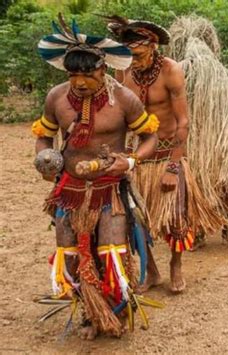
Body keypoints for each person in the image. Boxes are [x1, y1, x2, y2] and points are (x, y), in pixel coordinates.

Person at [34, 16, 158, 339]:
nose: (80, 82)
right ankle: (91, 313)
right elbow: (44, 137)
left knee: (111, 252)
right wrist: (44, 158)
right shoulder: (56, 98)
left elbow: (150, 138)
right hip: (70, 191)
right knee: (71, 255)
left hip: (109, 190)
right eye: (74, 74)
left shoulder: (125, 100)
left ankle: (117, 308)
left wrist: (129, 162)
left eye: (87, 74)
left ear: (102, 69)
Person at [106, 16, 224, 293]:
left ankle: (175, 265)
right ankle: (153, 272)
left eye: (137, 54)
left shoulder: (171, 71)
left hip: (168, 152)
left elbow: (183, 121)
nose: (132, 60)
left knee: (176, 217)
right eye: (127, 55)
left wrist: (173, 166)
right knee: (135, 219)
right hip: (138, 157)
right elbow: (120, 117)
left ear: (153, 46)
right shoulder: (123, 73)